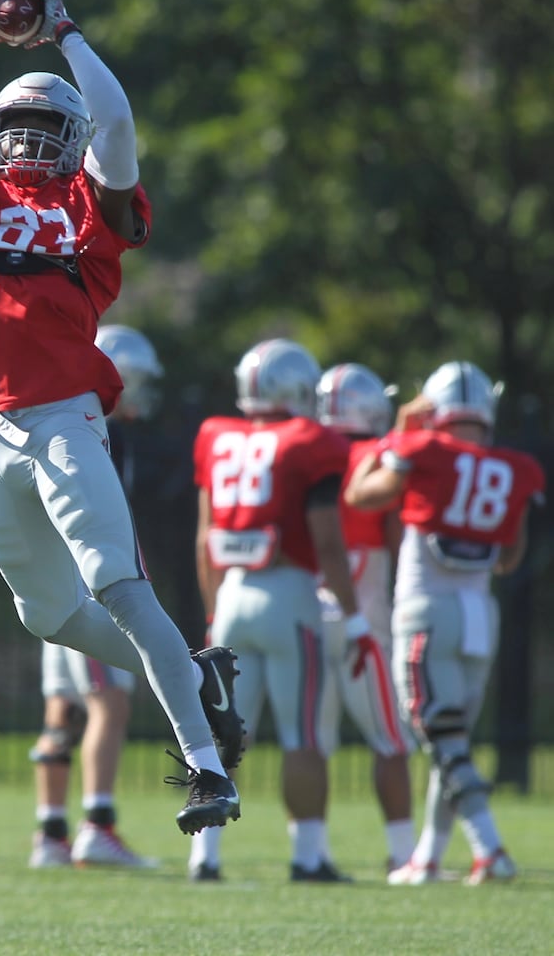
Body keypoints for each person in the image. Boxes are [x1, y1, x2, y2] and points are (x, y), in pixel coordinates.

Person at [0, 0, 243, 836]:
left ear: (76, 139)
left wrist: (68, 34)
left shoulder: (90, 212)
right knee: (46, 614)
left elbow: (120, 127)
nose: (27, 140)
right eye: (14, 123)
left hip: (61, 416)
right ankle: (198, 676)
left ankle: (206, 766)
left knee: (119, 586)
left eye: (47, 127)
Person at [345, 360, 546, 886]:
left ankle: (490, 848)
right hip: (480, 616)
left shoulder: (421, 449)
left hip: (426, 612)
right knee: (451, 740)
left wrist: (397, 438)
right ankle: (428, 858)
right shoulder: (515, 468)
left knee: (442, 738)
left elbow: (359, 494)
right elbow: (508, 557)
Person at [188, 339, 369, 882]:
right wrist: (356, 617)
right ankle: (308, 856)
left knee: (223, 737)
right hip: (289, 595)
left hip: (233, 597)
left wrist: (213, 616)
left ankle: (205, 856)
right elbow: (329, 544)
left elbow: (205, 539)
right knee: (302, 734)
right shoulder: (310, 441)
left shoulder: (216, 438)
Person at [29, 324, 164, 869]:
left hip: (51, 575)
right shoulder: (96, 432)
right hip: (90, 578)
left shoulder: (49, 418)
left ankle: (50, 834)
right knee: (109, 702)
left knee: (61, 709)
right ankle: (97, 826)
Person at [316, 363, 415, 876]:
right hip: (363, 611)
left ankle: (309, 851)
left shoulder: (302, 449)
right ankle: (404, 853)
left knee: (310, 741)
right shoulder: (378, 454)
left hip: (306, 609)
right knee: (391, 738)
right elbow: (398, 540)